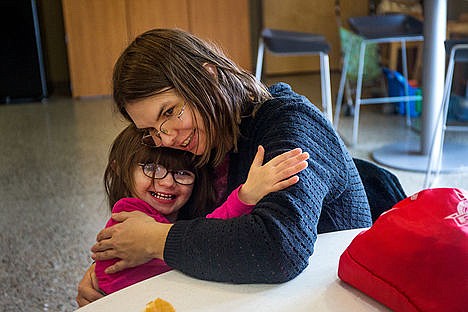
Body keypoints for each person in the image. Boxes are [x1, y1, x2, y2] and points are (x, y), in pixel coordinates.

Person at [77, 28, 404, 306]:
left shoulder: (289, 123)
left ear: (208, 76)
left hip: (329, 297)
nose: (167, 138)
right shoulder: (202, 141)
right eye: (150, 130)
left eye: (169, 112)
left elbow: (279, 249)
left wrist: (153, 240)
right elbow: (197, 230)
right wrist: (119, 267)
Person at [95, 124, 309, 294]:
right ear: (120, 169)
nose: (168, 182)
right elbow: (204, 235)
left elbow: (202, 232)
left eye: (182, 173)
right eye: (151, 168)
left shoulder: (172, 217)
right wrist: (246, 195)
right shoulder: (130, 213)